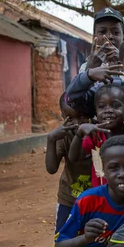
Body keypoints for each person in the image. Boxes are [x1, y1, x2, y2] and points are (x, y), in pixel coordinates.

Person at [68, 84, 124, 188]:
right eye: (102, 107)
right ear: (96, 113)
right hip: (101, 197)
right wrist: (79, 133)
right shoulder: (95, 135)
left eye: (115, 106)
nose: (108, 110)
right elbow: (73, 158)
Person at [46, 93, 93, 233]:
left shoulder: (97, 134)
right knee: (62, 238)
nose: (77, 123)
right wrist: (51, 140)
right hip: (69, 198)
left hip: (96, 199)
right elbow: (51, 168)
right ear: (62, 116)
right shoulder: (63, 136)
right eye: (70, 118)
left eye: (83, 116)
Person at [66, 7, 124, 116]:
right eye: (102, 32)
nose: (109, 36)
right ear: (95, 37)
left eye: (116, 32)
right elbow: (77, 99)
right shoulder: (87, 66)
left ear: (123, 37)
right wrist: (89, 71)